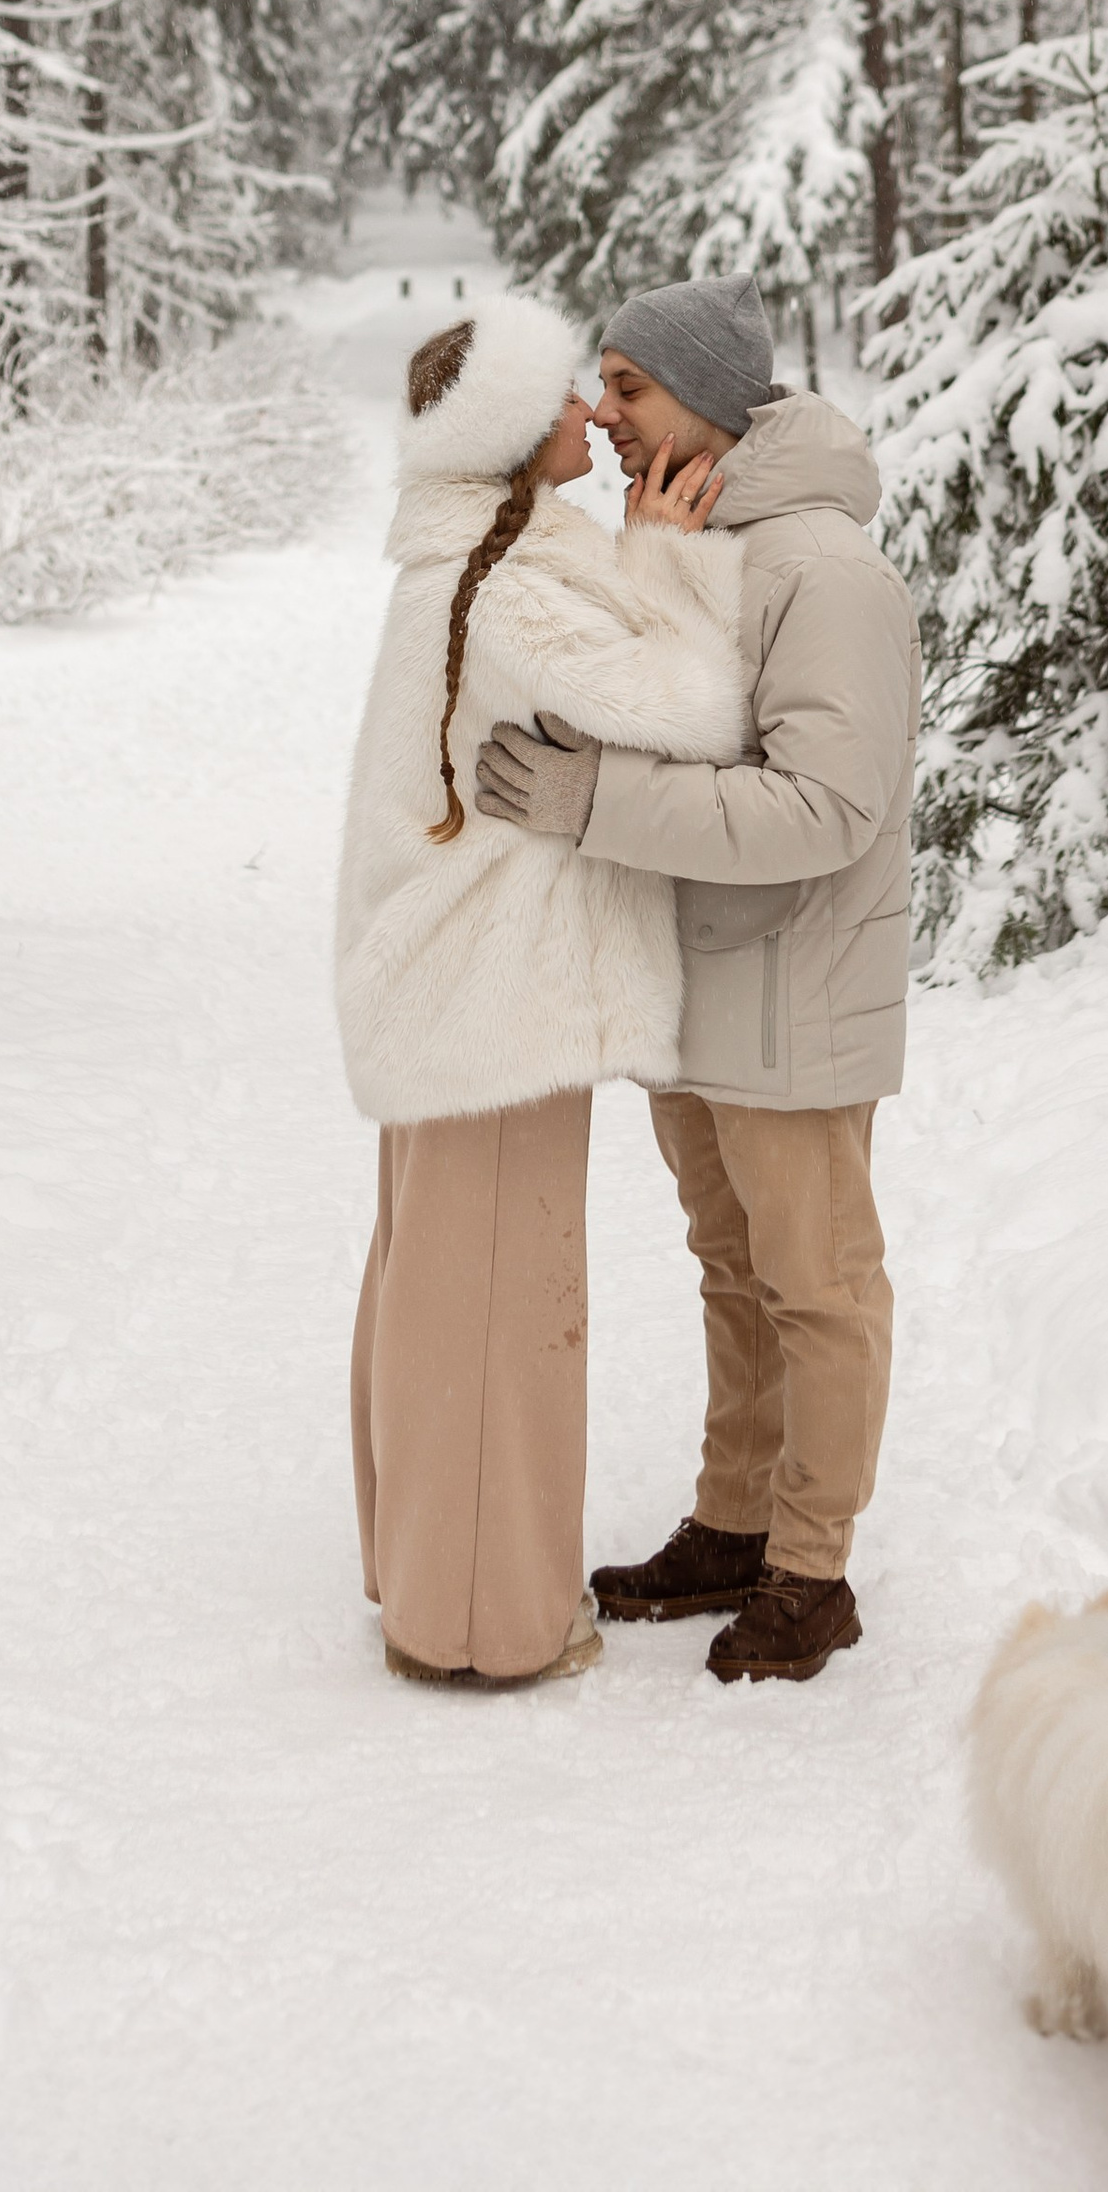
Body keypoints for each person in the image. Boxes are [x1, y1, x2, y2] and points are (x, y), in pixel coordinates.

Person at [476, 270, 920, 1689]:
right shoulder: (696, 539)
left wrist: (586, 801)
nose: (600, 416)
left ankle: (813, 1570)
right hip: (694, 989)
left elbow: (823, 811)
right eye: (600, 386)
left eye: (628, 389)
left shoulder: (822, 574)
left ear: (710, 409)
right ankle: (735, 1523)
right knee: (736, 1276)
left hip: (790, 993)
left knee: (820, 1288)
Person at [337, 293, 747, 1687]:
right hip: (493, 997)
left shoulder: (492, 558)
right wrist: (677, 566)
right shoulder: (505, 585)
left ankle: (421, 1572)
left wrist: (636, 560)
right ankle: (483, 1623)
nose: (594, 415)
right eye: (569, 397)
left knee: (436, 1281)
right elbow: (691, 709)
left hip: (454, 989)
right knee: (501, 1300)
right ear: (519, 439)